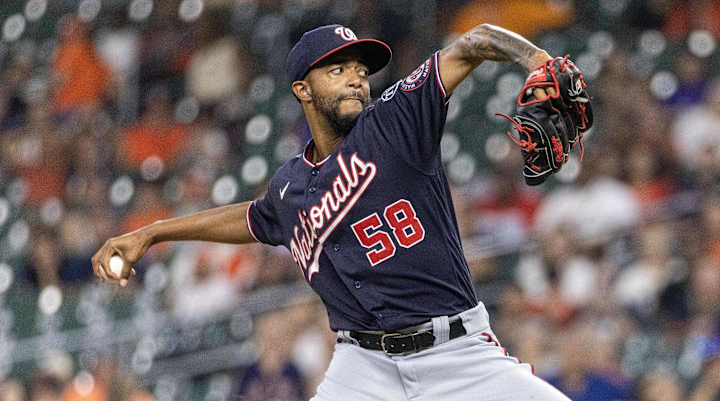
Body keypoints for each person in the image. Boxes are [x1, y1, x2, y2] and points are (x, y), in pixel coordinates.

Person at [92, 23, 574, 400]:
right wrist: (152, 233)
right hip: (363, 369)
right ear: (303, 89)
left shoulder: (396, 122)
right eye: (337, 70)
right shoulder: (289, 188)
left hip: (458, 353)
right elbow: (250, 218)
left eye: (361, 71)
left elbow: (473, 44)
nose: (356, 79)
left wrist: (539, 60)